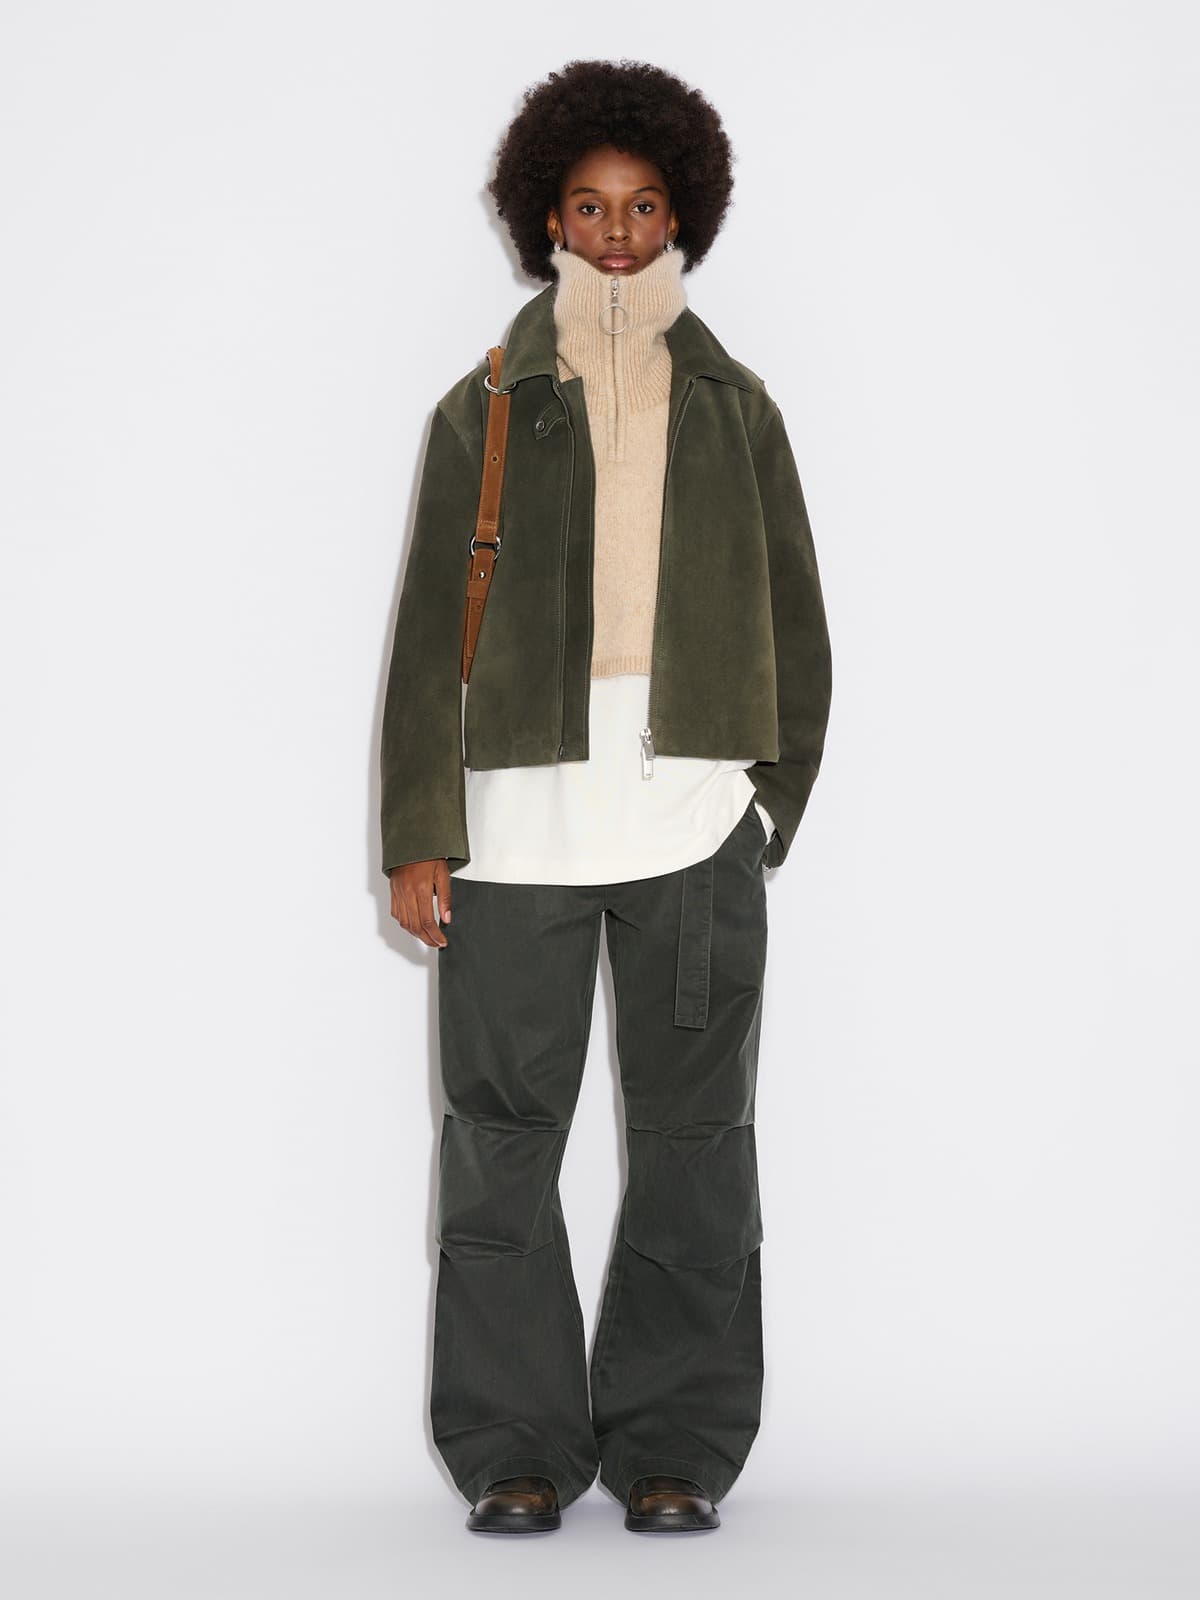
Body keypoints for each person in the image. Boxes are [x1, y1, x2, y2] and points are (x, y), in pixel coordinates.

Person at [380, 58, 833, 1535]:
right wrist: (419, 830)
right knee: (499, 1145)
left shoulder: (737, 406)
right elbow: (425, 634)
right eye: (589, 205)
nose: (618, 232)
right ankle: (514, 1446)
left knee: (697, 1148)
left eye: (642, 206)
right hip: (514, 829)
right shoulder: (485, 405)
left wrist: (767, 806)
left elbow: (800, 619)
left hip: (695, 825)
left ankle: (674, 1446)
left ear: (680, 212)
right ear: (547, 219)